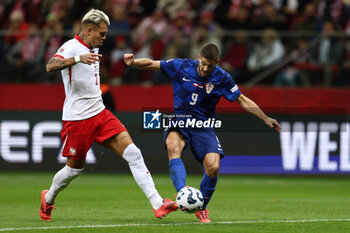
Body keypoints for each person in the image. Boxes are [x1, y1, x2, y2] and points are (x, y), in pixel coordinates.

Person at [39, 9, 178, 222]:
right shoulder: (71, 47)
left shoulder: (93, 47)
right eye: (101, 34)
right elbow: (50, 66)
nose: (104, 38)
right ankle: (48, 197)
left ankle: (158, 204)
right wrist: (77, 58)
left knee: (134, 153)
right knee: (73, 171)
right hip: (77, 120)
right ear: (88, 30)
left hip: (101, 114)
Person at [123, 43, 281, 223]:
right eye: (204, 63)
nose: (206, 68)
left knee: (213, 167)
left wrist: (265, 118)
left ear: (217, 63)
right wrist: (133, 62)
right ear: (198, 57)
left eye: (210, 65)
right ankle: (183, 194)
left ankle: (201, 208)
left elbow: (243, 100)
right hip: (180, 119)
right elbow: (152, 64)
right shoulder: (181, 65)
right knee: (173, 146)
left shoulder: (222, 77)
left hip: (204, 125)